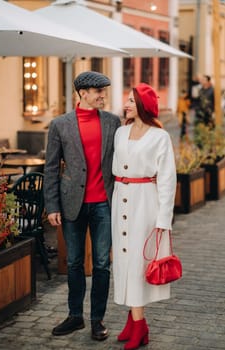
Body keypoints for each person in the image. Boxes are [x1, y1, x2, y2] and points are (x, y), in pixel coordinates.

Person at [43, 71, 121, 341]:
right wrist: (51, 206)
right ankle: (75, 316)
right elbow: (51, 168)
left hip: (104, 204)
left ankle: (97, 320)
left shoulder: (113, 122)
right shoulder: (59, 125)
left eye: (104, 91)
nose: (103, 96)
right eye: (98, 91)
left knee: (101, 265)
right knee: (74, 263)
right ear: (83, 93)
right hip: (71, 205)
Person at [111, 83, 177, 349]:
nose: (126, 104)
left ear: (143, 105)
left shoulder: (159, 137)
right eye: (126, 99)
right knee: (124, 261)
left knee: (138, 263)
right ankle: (133, 319)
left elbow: (167, 180)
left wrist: (163, 220)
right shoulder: (120, 132)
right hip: (121, 201)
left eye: (130, 100)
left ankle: (140, 327)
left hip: (145, 205)